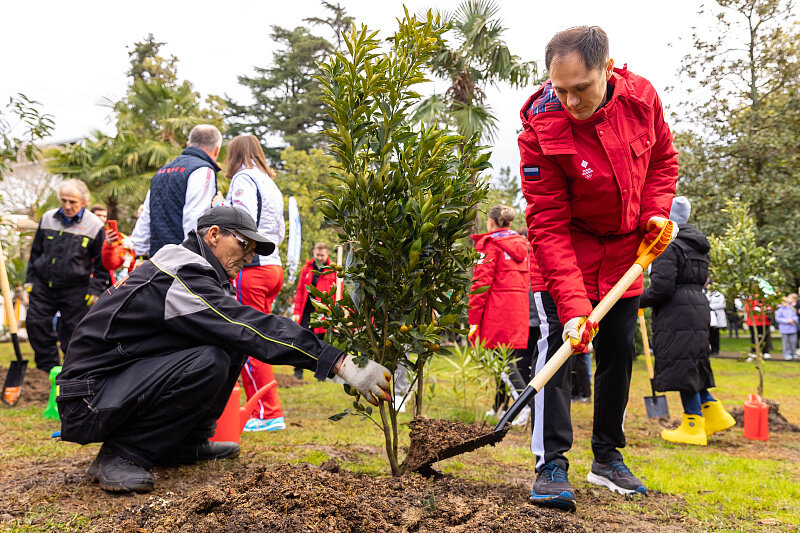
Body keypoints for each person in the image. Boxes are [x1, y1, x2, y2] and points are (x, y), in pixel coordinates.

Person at [56, 206, 391, 494]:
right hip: (87, 399)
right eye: (244, 244)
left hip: (112, 385)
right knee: (211, 357)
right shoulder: (180, 274)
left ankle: (183, 444)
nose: (248, 257)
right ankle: (123, 454)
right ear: (214, 235)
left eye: (253, 250)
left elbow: (239, 330)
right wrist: (339, 362)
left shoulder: (195, 273)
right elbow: (248, 325)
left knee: (229, 344)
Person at [518, 26, 679, 510]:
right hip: (564, 255)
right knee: (559, 353)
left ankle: (607, 457)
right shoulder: (540, 128)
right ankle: (551, 464)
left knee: (618, 354)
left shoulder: (642, 100)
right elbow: (547, 223)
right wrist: (573, 307)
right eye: (560, 89)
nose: (570, 101)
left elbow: (662, 161)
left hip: (626, 258)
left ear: (607, 68)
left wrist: (655, 214)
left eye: (581, 88)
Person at [640, 196, 735, 446]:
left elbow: (661, 288)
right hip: (697, 307)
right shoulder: (697, 244)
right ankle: (714, 414)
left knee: (683, 366)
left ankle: (692, 425)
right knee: (692, 362)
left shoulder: (669, 244)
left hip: (676, 312)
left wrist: (637, 300)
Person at [224, 135, 287, 432]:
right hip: (273, 266)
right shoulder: (269, 182)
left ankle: (266, 412)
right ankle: (266, 410)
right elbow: (281, 231)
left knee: (247, 338)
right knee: (260, 336)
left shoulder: (243, 179)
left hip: (252, 267)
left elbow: (242, 219)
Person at [25, 180, 109, 373]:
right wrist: (30, 280)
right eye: (64, 200)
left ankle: (71, 370)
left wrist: (95, 290)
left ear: (84, 202)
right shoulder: (47, 218)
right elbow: (36, 252)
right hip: (43, 285)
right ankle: (48, 369)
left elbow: (101, 262)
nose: (67, 206)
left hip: (76, 288)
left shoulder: (95, 225)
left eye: (73, 202)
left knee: (73, 331)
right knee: (36, 323)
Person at [467, 205, 530, 421]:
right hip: (518, 311)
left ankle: (524, 406)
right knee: (505, 358)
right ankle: (500, 406)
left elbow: (480, 284)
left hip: (496, 312)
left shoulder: (489, 245)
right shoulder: (523, 245)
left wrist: (473, 319)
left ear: (491, 222)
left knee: (501, 363)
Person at [131, 124, 222, 259]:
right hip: (185, 260)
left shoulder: (161, 172)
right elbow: (196, 217)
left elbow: (146, 216)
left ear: (188, 144)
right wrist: (196, 259)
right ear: (217, 150)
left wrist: (141, 252)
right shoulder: (202, 170)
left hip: (158, 258)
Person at [292, 242, 338, 379]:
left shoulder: (333, 270)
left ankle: (320, 371)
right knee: (302, 337)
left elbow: (337, 293)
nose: (320, 258)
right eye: (318, 255)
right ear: (314, 253)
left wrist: (335, 313)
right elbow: (300, 290)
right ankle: (298, 370)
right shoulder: (307, 268)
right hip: (307, 309)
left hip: (323, 310)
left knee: (321, 341)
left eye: (322, 255)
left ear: (327, 254)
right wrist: (296, 311)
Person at [774, 296, 799, 361]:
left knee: (793, 342)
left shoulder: (791, 309)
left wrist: (793, 320)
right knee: (786, 343)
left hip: (793, 329)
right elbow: (777, 319)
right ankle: (786, 354)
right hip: (784, 329)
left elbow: (795, 317)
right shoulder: (779, 310)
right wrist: (788, 321)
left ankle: (793, 353)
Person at [706, 282, 727, 355]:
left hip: (717, 317)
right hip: (709, 316)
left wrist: (711, 306)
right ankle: (709, 349)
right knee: (709, 334)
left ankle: (715, 349)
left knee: (715, 334)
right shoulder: (706, 293)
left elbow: (722, 304)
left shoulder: (719, 294)